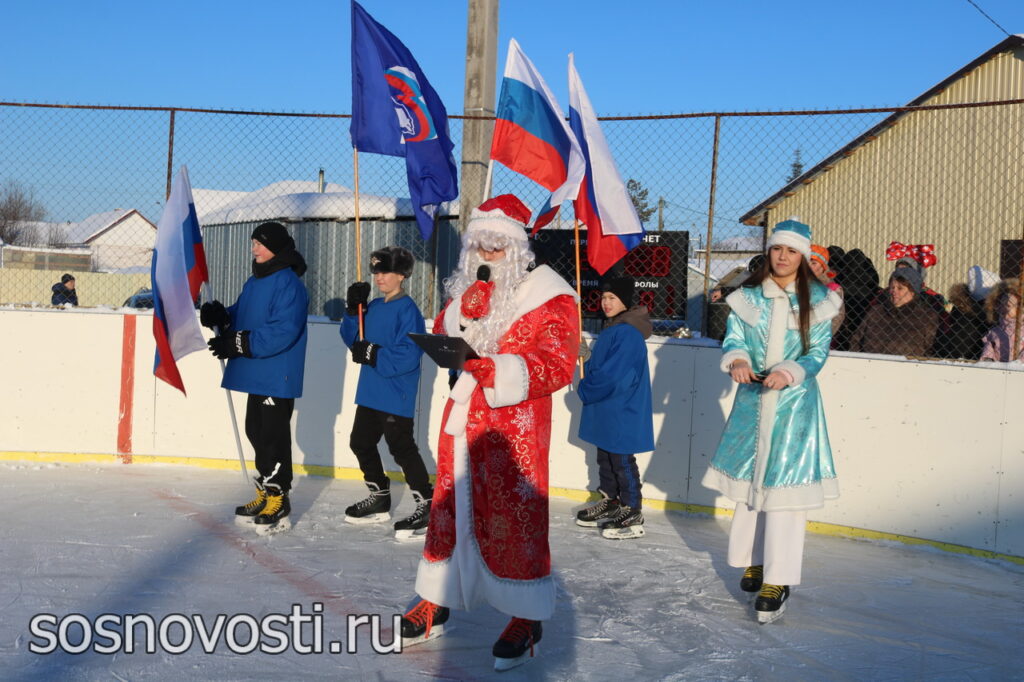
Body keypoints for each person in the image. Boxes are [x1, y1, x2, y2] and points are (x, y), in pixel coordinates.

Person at [397, 194, 579, 671]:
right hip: (461, 422)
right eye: (480, 243)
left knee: (517, 516)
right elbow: (443, 333)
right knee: (448, 508)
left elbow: (557, 364)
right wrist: (460, 318)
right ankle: (436, 599)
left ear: (518, 246)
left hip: (513, 426)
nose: (489, 252)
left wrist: (497, 368)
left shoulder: (552, 295)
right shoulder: (468, 289)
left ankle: (526, 614)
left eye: (498, 244)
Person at [702, 219, 842, 624]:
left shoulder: (817, 300)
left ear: (803, 256)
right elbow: (735, 340)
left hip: (793, 408)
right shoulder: (748, 297)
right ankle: (757, 562)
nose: (783, 257)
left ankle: (779, 579)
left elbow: (816, 354)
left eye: (792, 251)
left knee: (784, 494)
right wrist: (739, 361)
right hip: (752, 402)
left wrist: (789, 372)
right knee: (752, 487)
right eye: (778, 249)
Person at [200, 221, 309, 535]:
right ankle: (264, 490)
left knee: (273, 435)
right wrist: (223, 316)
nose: (254, 249)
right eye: (253, 243)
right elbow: (244, 314)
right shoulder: (255, 281)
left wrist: (237, 342)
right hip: (257, 373)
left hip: (276, 372)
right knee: (256, 430)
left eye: (259, 244)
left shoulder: (288, 284)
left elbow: (282, 331)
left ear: (275, 247)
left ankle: (279, 496)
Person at [339, 246, 433, 541]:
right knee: (360, 442)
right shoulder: (375, 307)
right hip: (370, 391)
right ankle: (379, 494)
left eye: (386, 271)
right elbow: (353, 340)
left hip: (395, 392)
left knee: (401, 447)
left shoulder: (409, 311)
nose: (379, 277)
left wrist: (375, 353)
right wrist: (353, 310)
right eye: (376, 271)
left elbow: (409, 353)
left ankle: (427, 504)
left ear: (402, 275)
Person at [575, 276, 654, 540]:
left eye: (612, 298)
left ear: (625, 301)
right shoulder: (614, 328)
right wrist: (588, 357)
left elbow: (613, 375)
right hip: (608, 407)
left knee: (621, 459)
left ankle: (632, 510)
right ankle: (611, 501)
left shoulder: (628, 332)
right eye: (604, 298)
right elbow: (605, 364)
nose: (606, 303)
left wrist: (586, 389)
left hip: (621, 407)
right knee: (606, 457)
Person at [849, 268, 939, 357]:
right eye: (892, 287)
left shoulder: (926, 317)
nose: (894, 291)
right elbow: (856, 341)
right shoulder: (876, 311)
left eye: (900, 288)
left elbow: (930, 350)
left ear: (913, 292)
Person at [980, 278, 1023, 363]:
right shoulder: (995, 331)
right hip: (999, 367)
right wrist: (988, 359)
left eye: (1008, 305)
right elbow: (989, 346)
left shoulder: (1022, 328)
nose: (1003, 308)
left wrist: (1020, 363)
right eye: (1001, 304)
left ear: (1020, 308)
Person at [809, 244, 845, 337]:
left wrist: (820, 338)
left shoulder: (832, 289)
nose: (808, 266)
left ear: (823, 267)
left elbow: (836, 318)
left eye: (814, 263)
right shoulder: (794, 283)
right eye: (806, 262)